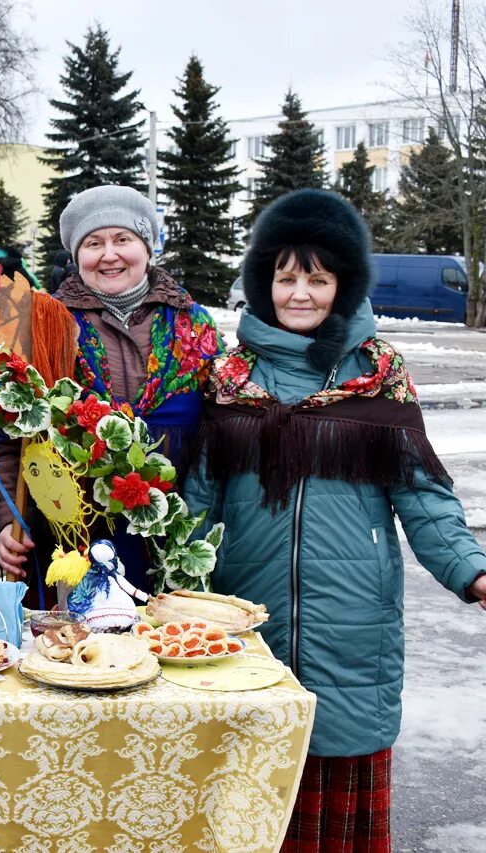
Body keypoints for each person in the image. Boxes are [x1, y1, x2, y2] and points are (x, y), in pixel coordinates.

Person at [184, 189, 486, 851]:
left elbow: (425, 495)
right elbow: (196, 507)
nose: (300, 293)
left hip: (355, 625)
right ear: (264, 283)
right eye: (286, 277)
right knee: (248, 796)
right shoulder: (231, 377)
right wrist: (162, 582)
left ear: (343, 284)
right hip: (246, 620)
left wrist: (472, 569)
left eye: (317, 279)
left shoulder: (379, 374)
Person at [0, 185, 223, 595]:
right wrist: (4, 519)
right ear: (77, 255)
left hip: (173, 539)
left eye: (123, 239)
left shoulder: (195, 327)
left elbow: (223, 432)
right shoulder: (45, 327)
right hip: (71, 542)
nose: (109, 254)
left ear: (147, 247)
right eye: (94, 243)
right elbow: (8, 438)